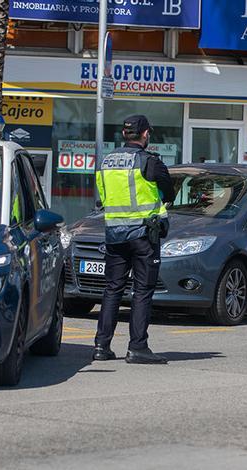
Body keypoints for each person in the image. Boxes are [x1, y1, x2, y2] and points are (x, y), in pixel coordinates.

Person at [93, 115, 176, 364]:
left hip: (114, 234)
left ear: (123, 134)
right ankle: (138, 347)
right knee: (142, 291)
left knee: (112, 289)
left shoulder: (106, 162)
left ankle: (101, 346)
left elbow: (102, 198)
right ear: (146, 135)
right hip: (143, 236)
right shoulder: (150, 162)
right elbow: (169, 192)